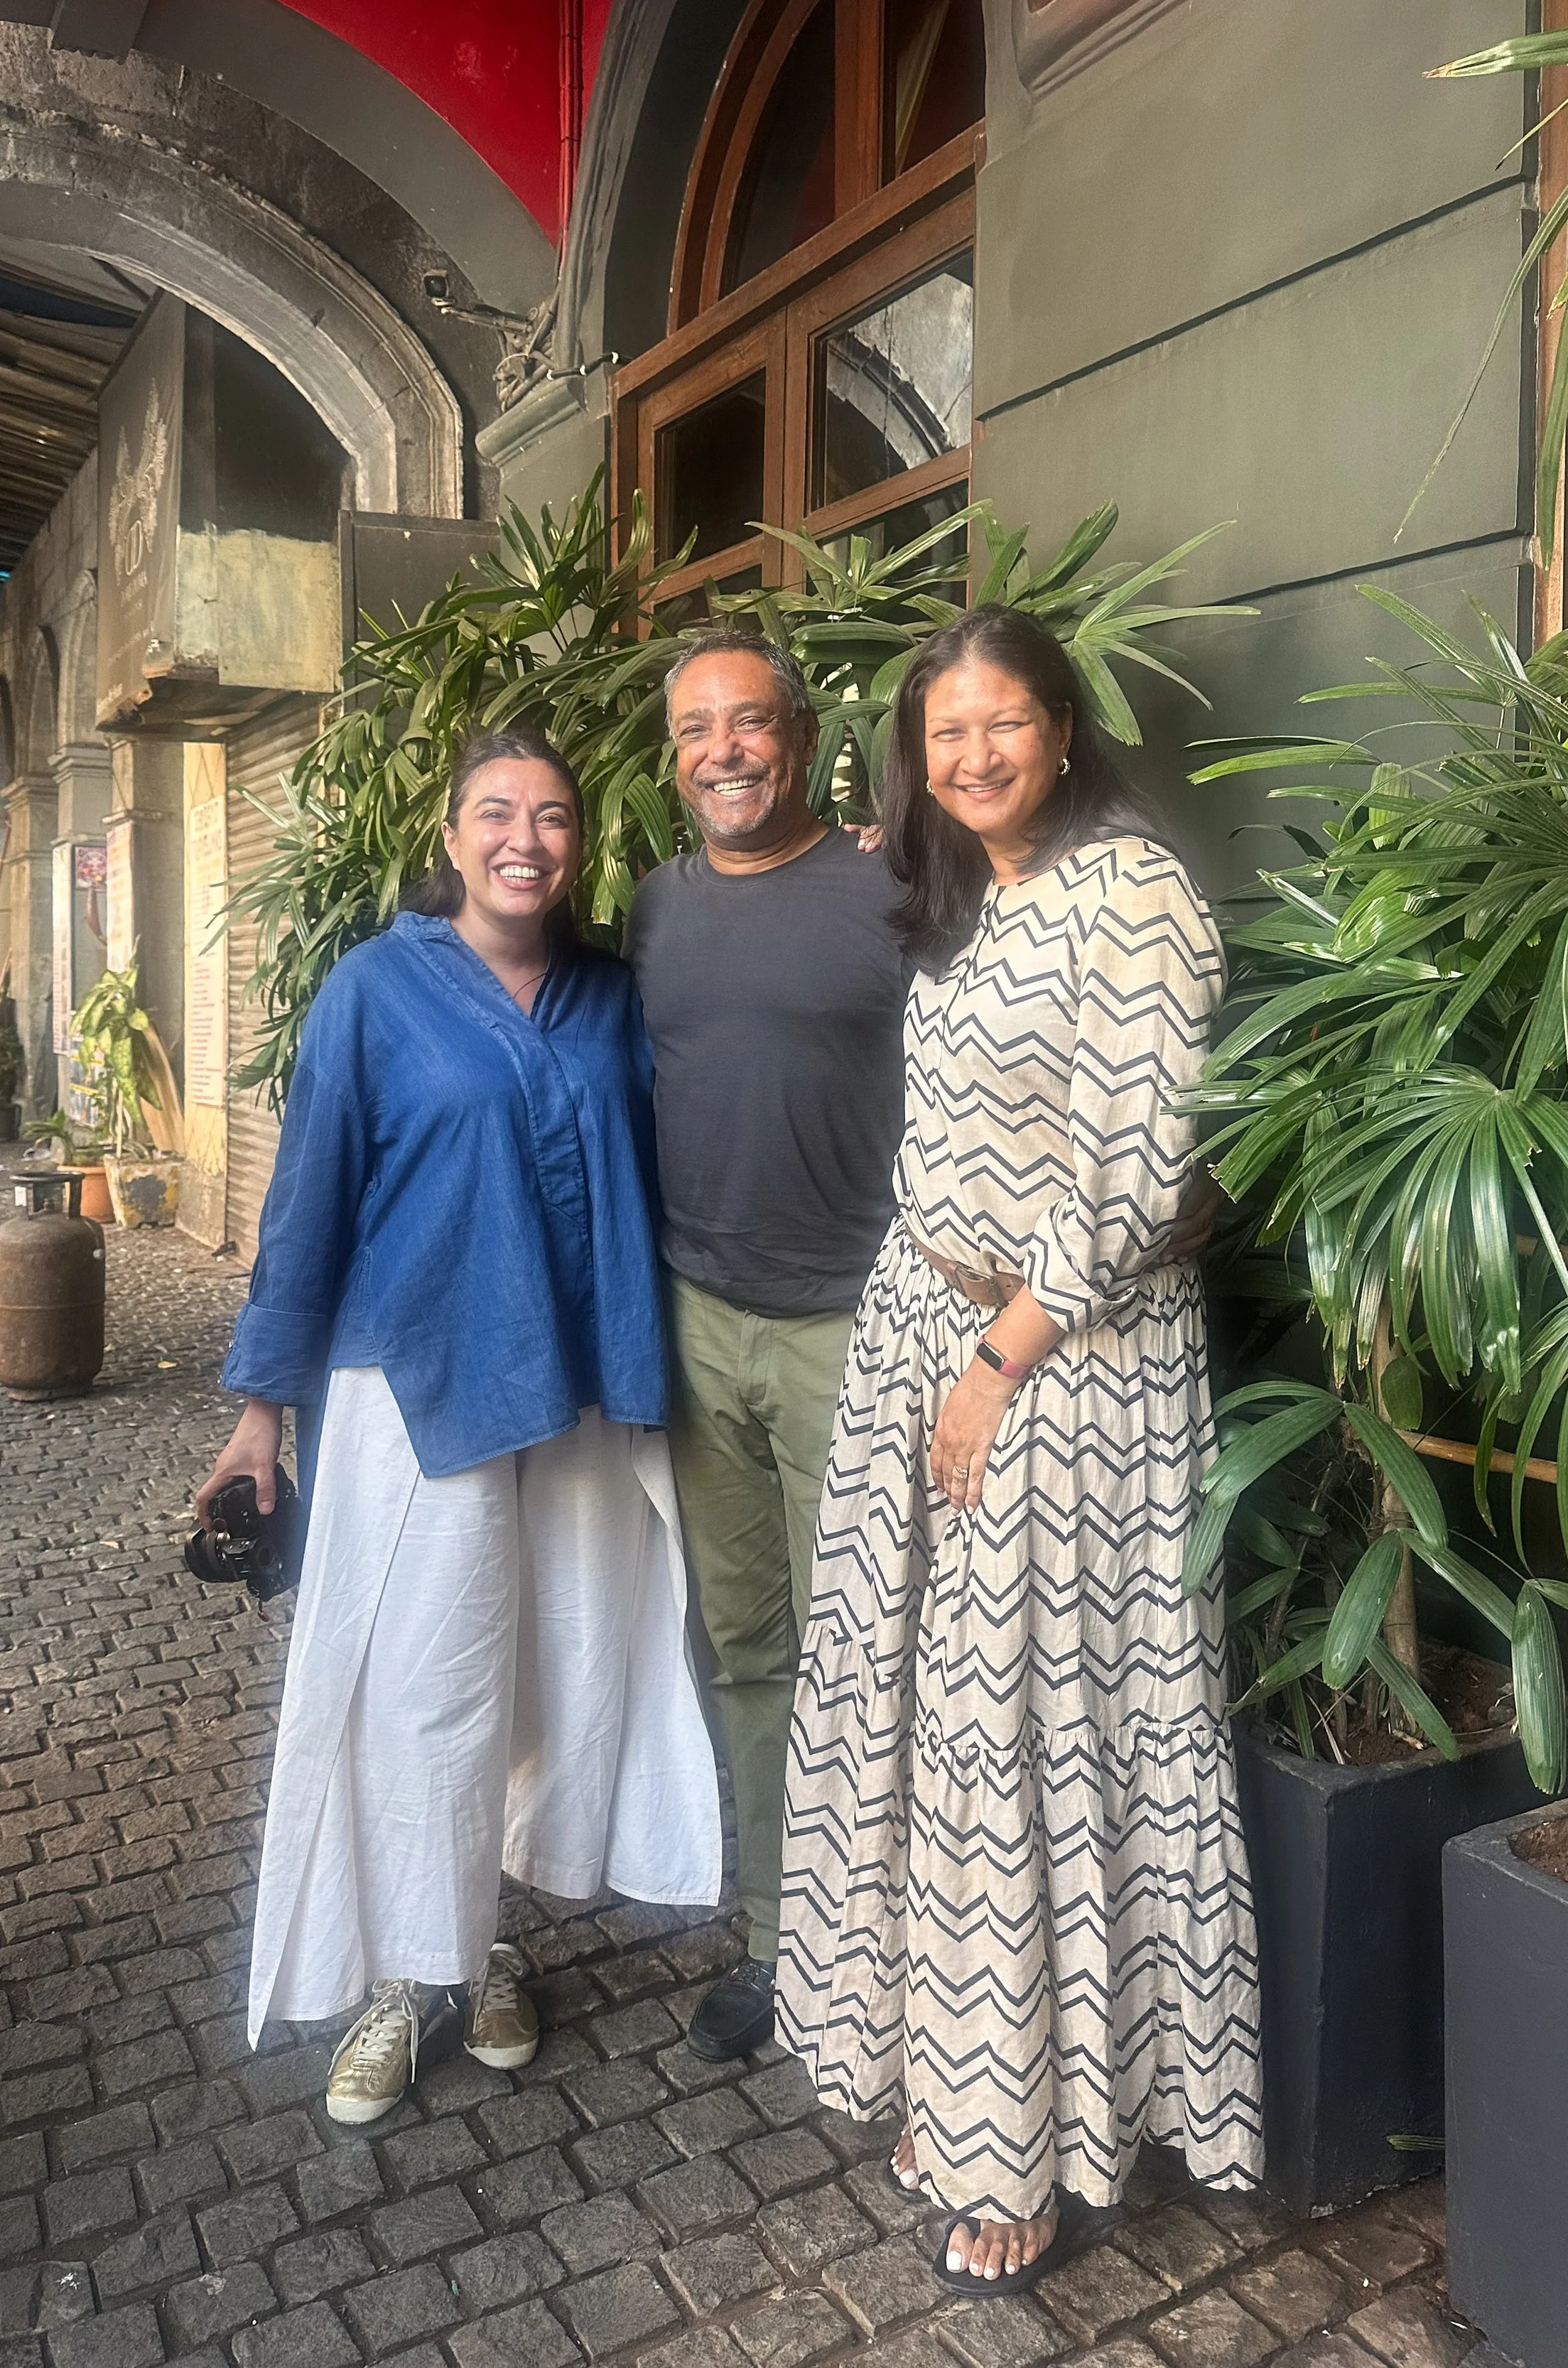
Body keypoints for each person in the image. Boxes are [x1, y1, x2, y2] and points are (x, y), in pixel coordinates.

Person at [777, 608, 1265, 2293]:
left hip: (1063, 1366)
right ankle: (957, 2076)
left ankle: (1030, 2145)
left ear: (1061, 727)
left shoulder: (1135, 893)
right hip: (927, 1323)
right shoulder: (965, 893)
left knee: (1022, 1743)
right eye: (944, 733)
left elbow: (1133, 1176)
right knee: (922, 1725)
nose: (973, 754)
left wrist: (993, 1362)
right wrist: (928, 1337)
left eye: (1002, 722)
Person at [200, 726, 720, 2124]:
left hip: (581, 1384)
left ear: (577, 845)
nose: (524, 841)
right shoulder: (372, 992)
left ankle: (476, 1943)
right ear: (448, 837)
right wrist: (261, 1412)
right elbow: (306, 1203)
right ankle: (399, 1978)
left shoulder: (611, 993)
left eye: (551, 817)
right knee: (419, 1685)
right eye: (496, 813)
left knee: (548, 1666)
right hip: (418, 1387)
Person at [624, 630, 909, 2060]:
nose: (723, 751)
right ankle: (775, 1936)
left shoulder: (893, 889)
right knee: (745, 1645)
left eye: (747, 724)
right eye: (696, 730)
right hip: (696, 1319)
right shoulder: (654, 907)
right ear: (674, 757)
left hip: (849, 1326)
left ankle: (894, 1956)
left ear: (799, 738)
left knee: (870, 1651)